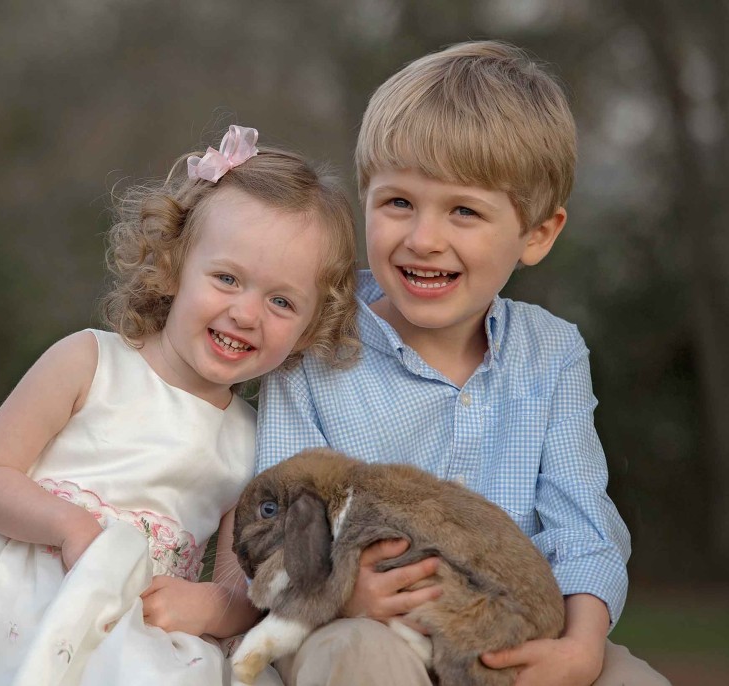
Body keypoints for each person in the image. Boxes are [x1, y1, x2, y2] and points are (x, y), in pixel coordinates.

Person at [0, 124, 360, 686]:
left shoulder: (251, 440)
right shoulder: (89, 362)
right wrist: (70, 527)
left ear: (309, 327)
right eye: (226, 278)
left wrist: (208, 608)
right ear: (173, 267)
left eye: (280, 301)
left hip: (136, 627)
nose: (247, 313)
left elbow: (240, 586)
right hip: (18, 602)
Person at [256, 42, 670, 686]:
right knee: (360, 661)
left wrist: (582, 647)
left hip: (495, 626)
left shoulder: (551, 353)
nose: (424, 238)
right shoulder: (315, 336)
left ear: (537, 233)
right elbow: (277, 505)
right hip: (344, 618)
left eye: (464, 211)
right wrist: (342, 593)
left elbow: (583, 527)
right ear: (365, 198)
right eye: (398, 203)